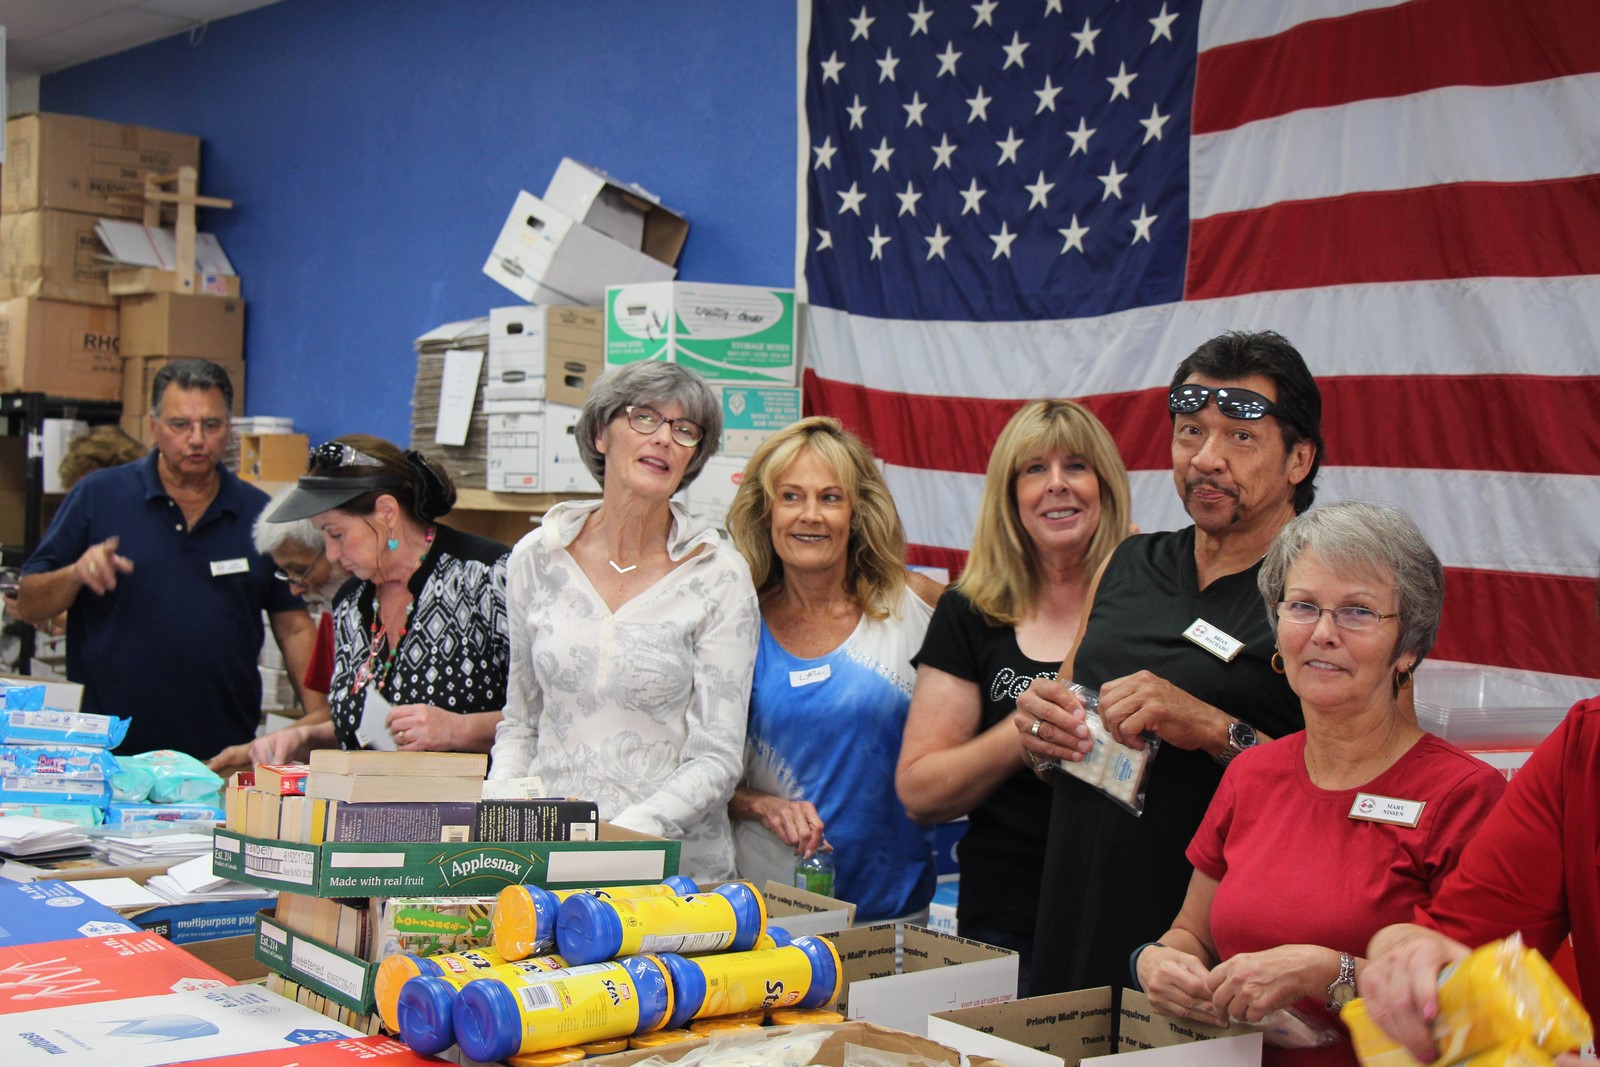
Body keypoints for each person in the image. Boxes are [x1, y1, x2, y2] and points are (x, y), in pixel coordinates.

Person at [1132, 501, 1505, 1066]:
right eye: (1303, 606)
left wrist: (1328, 972)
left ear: (1407, 647)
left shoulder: (1464, 795)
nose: (1324, 633)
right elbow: (1192, 934)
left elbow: (1478, 1007)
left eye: (1357, 612)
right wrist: (1157, 963)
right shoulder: (1252, 773)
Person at [1018, 330, 1322, 994]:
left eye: (1240, 437)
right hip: (1074, 922)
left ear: (1299, 457)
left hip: (1206, 960)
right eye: (1190, 432)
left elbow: (1334, 806)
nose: (1207, 459)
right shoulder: (1128, 562)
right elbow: (1059, 747)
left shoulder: (1323, 594)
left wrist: (1214, 728)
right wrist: (1042, 734)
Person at [489, 362, 759, 883]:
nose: (664, 438)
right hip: (544, 865)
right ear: (598, 433)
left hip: (671, 878)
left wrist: (618, 841)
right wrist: (502, 814)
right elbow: (521, 721)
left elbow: (718, 758)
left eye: (684, 430)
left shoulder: (719, 575)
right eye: (644, 418)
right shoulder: (537, 557)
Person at [896, 399, 1132, 991]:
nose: (1057, 485)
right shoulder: (970, 609)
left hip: (1135, 912)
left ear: (1104, 484)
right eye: (1034, 470)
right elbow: (920, 790)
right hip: (1007, 915)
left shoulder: (1152, 596)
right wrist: (1021, 730)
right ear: (1009, 495)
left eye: (1075, 466)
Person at [12, 359, 317, 758]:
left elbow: (293, 625)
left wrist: (320, 717)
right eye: (180, 425)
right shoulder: (98, 497)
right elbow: (29, 600)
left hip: (218, 761)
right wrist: (75, 575)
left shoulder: (259, 515)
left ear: (229, 429)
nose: (196, 439)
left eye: (211, 425)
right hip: (105, 755)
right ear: (154, 426)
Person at [725, 417, 943, 922]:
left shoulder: (917, 605)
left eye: (830, 497)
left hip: (893, 915)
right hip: (766, 920)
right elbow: (695, 770)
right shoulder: (734, 619)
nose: (810, 516)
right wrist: (761, 803)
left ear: (857, 512)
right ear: (766, 510)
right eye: (791, 496)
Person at [263, 435, 509, 752]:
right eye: (323, 535)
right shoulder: (350, 603)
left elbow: (553, 715)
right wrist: (307, 736)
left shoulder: (489, 576)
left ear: (387, 512)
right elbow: (371, 729)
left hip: (476, 798)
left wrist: (461, 729)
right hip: (372, 799)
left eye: (336, 533)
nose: (332, 553)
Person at [205, 486, 352, 770]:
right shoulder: (334, 616)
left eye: (301, 570)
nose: (295, 589)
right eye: (286, 573)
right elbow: (331, 714)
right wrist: (254, 751)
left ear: (335, 546)